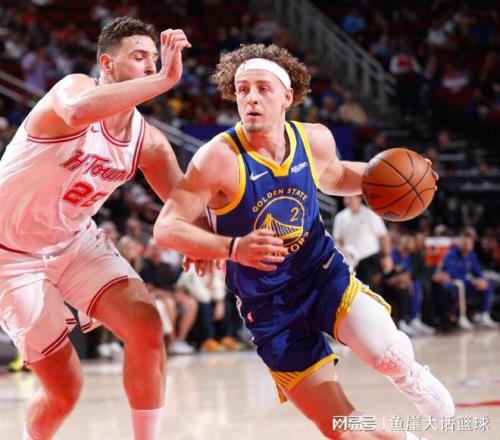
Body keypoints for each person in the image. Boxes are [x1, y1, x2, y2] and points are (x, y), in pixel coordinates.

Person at [154, 43, 454, 439]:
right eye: (242, 90)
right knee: (343, 429)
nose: (251, 98)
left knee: (390, 355)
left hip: (322, 275)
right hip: (270, 306)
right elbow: (166, 227)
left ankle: (409, 375)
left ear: (287, 96)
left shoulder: (313, 139)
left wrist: (406, 176)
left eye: (263, 88)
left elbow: (336, 175)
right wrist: (231, 248)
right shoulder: (218, 158)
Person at [0, 17, 190, 440]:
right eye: (139, 57)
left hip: (74, 242)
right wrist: (164, 80)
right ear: (107, 64)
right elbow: (78, 111)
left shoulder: (148, 142)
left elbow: (187, 206)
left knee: (146, 325)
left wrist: (219, 245)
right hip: (10, 254)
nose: (150, 65)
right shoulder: (73, 89)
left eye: (154, 59)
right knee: (65, 391)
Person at [434, 227, 498, 330]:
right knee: (460, 285)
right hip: (453, 283)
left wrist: (482, 280)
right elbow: (452, 273)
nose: (467, 244)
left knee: (487, 284)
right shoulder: (451, 254)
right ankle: (461, 317)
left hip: (467, 283)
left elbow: (478, 271)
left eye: (469, 242)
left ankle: (484, 314)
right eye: (465, 242)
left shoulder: (471, 255)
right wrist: (472, 281)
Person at [333, 195, 392, 285]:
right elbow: (337, 240)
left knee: (368, 287)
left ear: (359, 199)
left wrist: (386, 256)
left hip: (369, 259)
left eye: (350, 198)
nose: (347, 201)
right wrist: (342, 253)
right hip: (350, 260)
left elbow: (383, 236)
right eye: (346, 198)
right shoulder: (340, 217)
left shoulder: (370, 214)